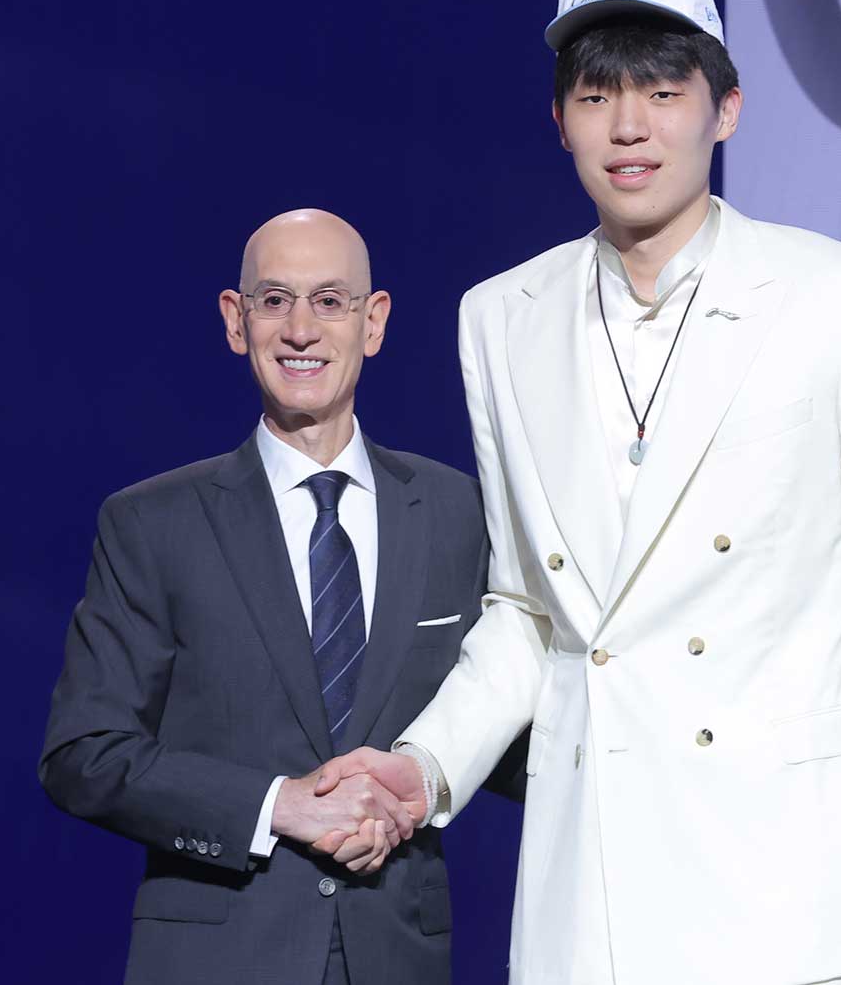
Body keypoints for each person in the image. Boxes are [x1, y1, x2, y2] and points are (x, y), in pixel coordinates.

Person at [325, 0, 841, 983]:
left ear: (724, 110)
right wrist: (424, 767)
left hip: (791, 879)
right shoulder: (503, 317)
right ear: (561, 122)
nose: (629, 128)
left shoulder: (837, 298)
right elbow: (526, 609)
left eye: (663, 93)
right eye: (597, 97)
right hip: (590, 880)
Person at [39, 209, 517, 985]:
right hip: (215, 958)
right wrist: (276, 805)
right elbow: (83, 755)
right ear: (237, 321)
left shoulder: (460, 514)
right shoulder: (152, 522)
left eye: (330, 300)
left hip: (398, 956)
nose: (301, 329)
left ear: (375, 322)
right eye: (274, 300)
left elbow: (503, 728)